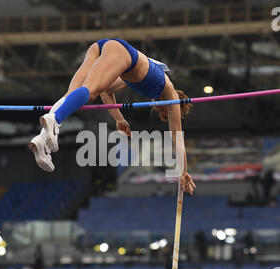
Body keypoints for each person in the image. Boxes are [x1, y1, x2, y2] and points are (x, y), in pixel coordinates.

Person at [29, 39, 195, 195]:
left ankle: (42, 140)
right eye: (163, 112)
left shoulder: (139, 77)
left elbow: (106, 91)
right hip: (120, 52)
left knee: (72, 95)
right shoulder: (171, 95)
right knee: (90, 90)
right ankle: (55, 120)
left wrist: (119, 119)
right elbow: (177, 140)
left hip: (101, 47)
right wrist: (184, 171)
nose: (160, 111)